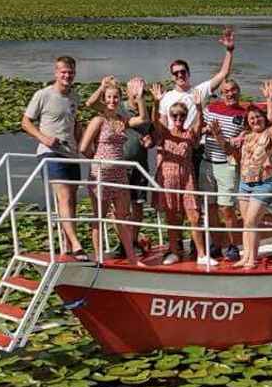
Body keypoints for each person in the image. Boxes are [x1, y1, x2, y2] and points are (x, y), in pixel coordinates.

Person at [208, 80, 272, 270]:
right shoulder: (246, 137)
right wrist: (218, 135)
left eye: (258, 117)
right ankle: (246, 256)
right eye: (251, 119)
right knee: (247, 223)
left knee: (250, 220)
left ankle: (251, 259)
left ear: (263, 118)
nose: (255, 121)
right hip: (246, 183)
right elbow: (227, 149)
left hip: (266, 183)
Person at [158, 27, 236, 254]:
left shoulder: (200, 90)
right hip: (175, 151)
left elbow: (222, 75)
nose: (180, 75)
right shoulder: (165, 98)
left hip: (197, 151)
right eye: (176, 73)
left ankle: (200, 244)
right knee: (174, 205)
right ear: (172, 76)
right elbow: (161, 125)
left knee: (198, 203)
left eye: (183, 72)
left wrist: (229, 50)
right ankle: (176, 247)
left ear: (188, 73)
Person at [21, 55, 86, 260]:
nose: (67, 75)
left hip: (70, 153)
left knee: (72, 200)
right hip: (49, 153)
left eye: (70, 72)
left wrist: (84, 148)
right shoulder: (43, 95)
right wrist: (43, 137)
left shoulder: (74, 97)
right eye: (63, 72)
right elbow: (26, 122)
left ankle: (67, 245)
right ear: (56, 73)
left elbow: (76, 125)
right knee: (64, 196)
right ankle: (76, 245)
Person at [85, 75, 155, 256]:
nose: (112, 100)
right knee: (99, 216)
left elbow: (143, 119)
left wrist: (140, 98)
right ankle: (99, 258)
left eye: (115, 97)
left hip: (119, 175)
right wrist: (102, 87)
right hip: (101, 174)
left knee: (122, 215)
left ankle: (131, 256)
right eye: (109, 97)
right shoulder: (100, 119)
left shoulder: (122, 120)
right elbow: (90, 104)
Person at [148, 83, 214, 266]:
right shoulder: (164, 133)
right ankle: (174, 251)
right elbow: (154, 121)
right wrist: (156, 102)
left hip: (187, 178)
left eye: (182, 115)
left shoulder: (189, 134)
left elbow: (199, 124)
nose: (178, 118)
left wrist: (199, 106)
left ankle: (202, 254)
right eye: (174, 115)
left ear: (185, 117)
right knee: (172, 216)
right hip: (167, 178)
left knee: (194, 215)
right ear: (170, 116)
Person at [201, 78, 249, 261]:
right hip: (207, 163)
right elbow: (199, 127)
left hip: (227, 165)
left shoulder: (245, 113)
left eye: (233, 90)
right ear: (221, 94)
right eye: (226, 91)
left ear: (239, 91)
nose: (230, 94)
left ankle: (232, 245)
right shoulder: (211, 108)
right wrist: (206, 129)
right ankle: (215, 244)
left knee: (226, 208)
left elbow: (242, 139)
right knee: (210, 206)